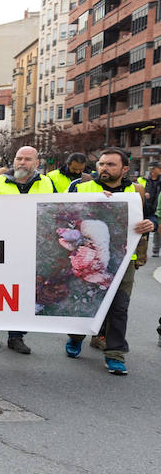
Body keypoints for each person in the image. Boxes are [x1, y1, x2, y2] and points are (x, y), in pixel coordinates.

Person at [63, 149, 154, 375]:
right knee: (86, 301)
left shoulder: (136, 191)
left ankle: (115, 354)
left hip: (124, 260)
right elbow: (64, 212)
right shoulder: (81, 187)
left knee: (119, 307)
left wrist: (149, 224)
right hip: (88, 256)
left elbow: (151, 216)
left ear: (124, 169)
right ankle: (76, 337)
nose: (104, 168)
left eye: (111, 165)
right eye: (101, 164)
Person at [0, 145, 55, 354]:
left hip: (33, 248)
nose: (22, 163)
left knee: (24, 293)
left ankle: (16, 336)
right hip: (1, 247)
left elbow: (62, 208)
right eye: (19, 158)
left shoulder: (48, 183)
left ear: (37, 163)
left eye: (27, 159)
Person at [143, 163, 161, 256]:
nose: (153, 171)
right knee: (151, 227)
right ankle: (154, 249)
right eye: (152, 169)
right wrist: (145, 194)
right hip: (149, 207)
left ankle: (156, 249)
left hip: (159, 206)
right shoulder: (147, 180)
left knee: (159, 228)